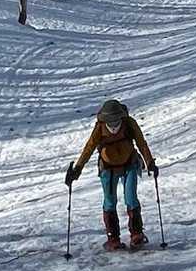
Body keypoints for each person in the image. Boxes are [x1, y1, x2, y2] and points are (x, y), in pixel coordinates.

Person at [65, 99, 158, 250]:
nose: (114, 125)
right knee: (110, 201)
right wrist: (77, 170)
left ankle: (137, 234)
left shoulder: (129, 124)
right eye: (110, 122)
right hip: (107, 168)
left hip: (129, 164)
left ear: (121, 117)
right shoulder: (99, 128)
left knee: (131, 197)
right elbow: (89, 148)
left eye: (116, 121)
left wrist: (150, 162)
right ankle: (113, 238)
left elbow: (141, 143)